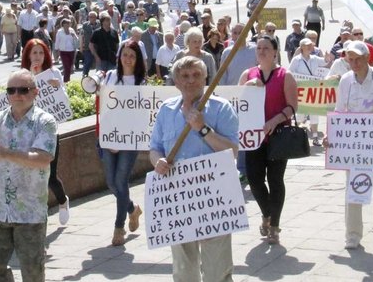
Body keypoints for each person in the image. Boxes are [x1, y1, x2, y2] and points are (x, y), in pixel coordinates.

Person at [148, 56, 240, 282]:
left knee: (217, 268)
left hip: (214, 195)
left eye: (196, 75)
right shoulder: (166, 110)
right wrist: (158, 162)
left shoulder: (221, 108)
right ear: (176, 81)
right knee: (183, 269)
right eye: (185, 76)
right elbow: (155, 148)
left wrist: (202, 128)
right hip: (178, 198)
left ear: (205, 78)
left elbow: (232, 151)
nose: (191, 81)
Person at [0, 69, 57, 282]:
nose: (17, 94)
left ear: (35, 92)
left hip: (29, 209)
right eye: (11, 90)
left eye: (23, 90)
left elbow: (43, 158)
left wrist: (8, 154)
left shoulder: (45, 122)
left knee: (32, 272)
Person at [333, 41, 373, 250]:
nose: (354, 63)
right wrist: (331, 136)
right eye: (350, 60)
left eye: (358, 59)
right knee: (353, 187)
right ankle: (352, 234)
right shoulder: (345, 81)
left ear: (367, 58)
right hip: (354, 144)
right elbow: (339, 111)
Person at [238, 34, 299, 244]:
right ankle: (266, 213)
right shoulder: (248, 74)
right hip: (253, 137)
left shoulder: (285, 75)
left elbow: (292, 106)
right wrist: (247, 88)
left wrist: (275, 120)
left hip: (277, 136)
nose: (261, 51)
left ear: (275, 52)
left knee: (275, 180)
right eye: (258, 48)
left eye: (266, 48)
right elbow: (237, 103)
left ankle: (274, 225)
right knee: (254, 180)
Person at [98, 40, 148, 246]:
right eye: (124, 54)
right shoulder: (110, 76)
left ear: (138, 60)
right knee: (111, 182)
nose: (127, 59)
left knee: (120, 181)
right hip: (109, 135)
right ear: (119, 56)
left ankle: (119, 227)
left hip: (130, 138)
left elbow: (143, 112)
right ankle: (132, 209)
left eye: (132, 56)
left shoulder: (141, 83)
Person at [20, 39, 70, 224]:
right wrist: (32, 78)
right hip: (29, 132)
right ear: (28, 55)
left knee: (49, 174)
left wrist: (57, 87)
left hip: (49, 132)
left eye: (41, 53)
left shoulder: (53, 73)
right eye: (34, 53)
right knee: (30, 173)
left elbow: (64, 103)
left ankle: (62, 201)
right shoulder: (22, 76)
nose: (38, 57)